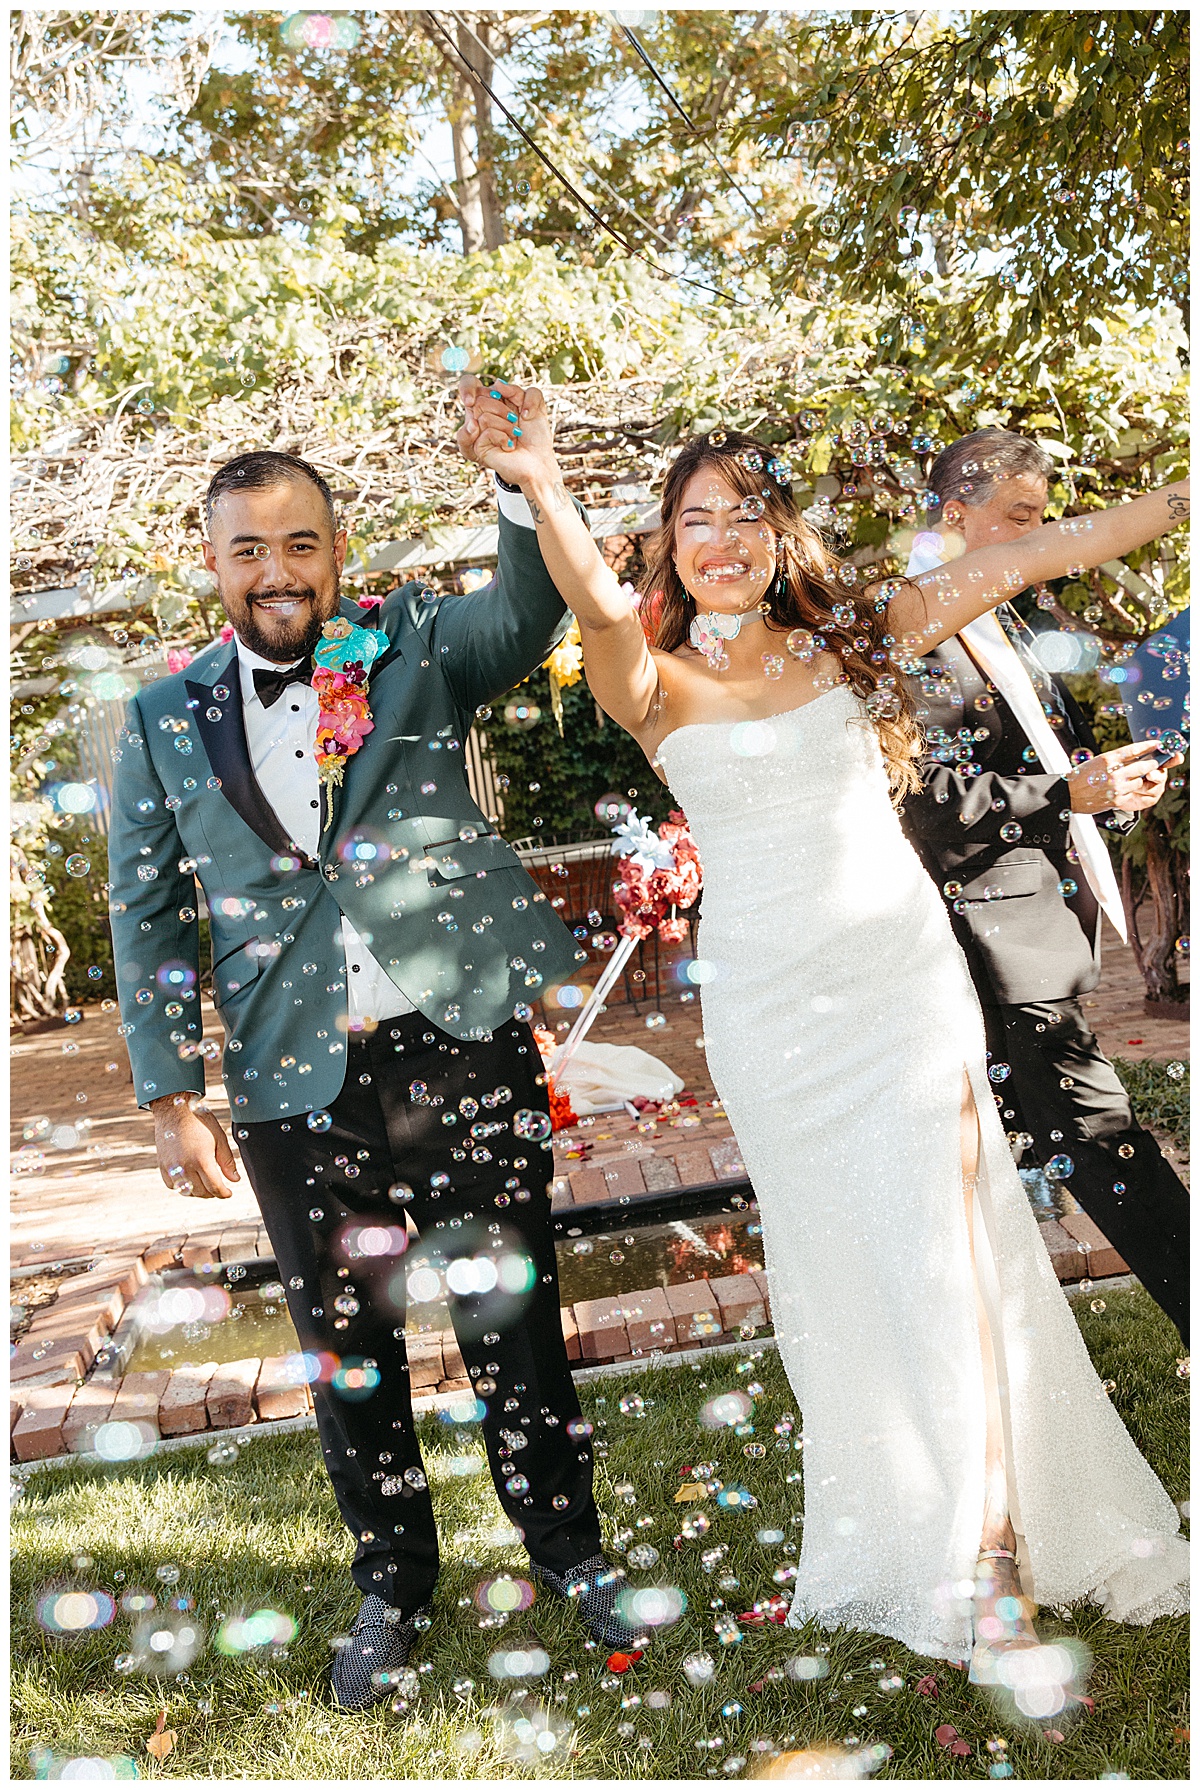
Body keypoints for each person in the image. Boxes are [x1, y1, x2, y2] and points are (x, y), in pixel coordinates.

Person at [457, 380, 1190, 1680]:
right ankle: (917, 1530)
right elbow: (582, 596)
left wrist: (1167, 506)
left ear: (779, 531)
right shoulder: (651, 675)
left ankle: (996, 1561)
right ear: (669, 546)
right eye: (696, 519)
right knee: (849, 1276)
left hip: (904, 996)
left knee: (955, 1263)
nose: (723, 537)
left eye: (746, 512)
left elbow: (1024, 554)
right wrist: (546, 481)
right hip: (774, 1021)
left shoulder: (854, 639)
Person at [107, 425, 642, 1714]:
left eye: (301, 541)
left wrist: (522, 484)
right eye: (250, 549)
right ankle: (393, 1584)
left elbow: (526, 612)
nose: (278, 569)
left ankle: (571, 1551)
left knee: (512, 1315)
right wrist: (173, 1095)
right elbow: (144, 907)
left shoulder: (414, 647)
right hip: (296, 1081)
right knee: (347, 1347)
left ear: (338, 551)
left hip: (460, 1038)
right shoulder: (161, 714)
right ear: (213, 565)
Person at [898, 429, 1188, 1344]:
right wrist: (1068, 791)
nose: (1037, 534)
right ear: (955, 515)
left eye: (1042, 515)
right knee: (1095, 1134)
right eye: (1018, 516)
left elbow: (1023, 766)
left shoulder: (1007, 622)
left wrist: (1095, 784)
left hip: (1032, 917)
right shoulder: (913, 631)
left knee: (1047, 1142)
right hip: (980, 929)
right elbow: (925, 797)